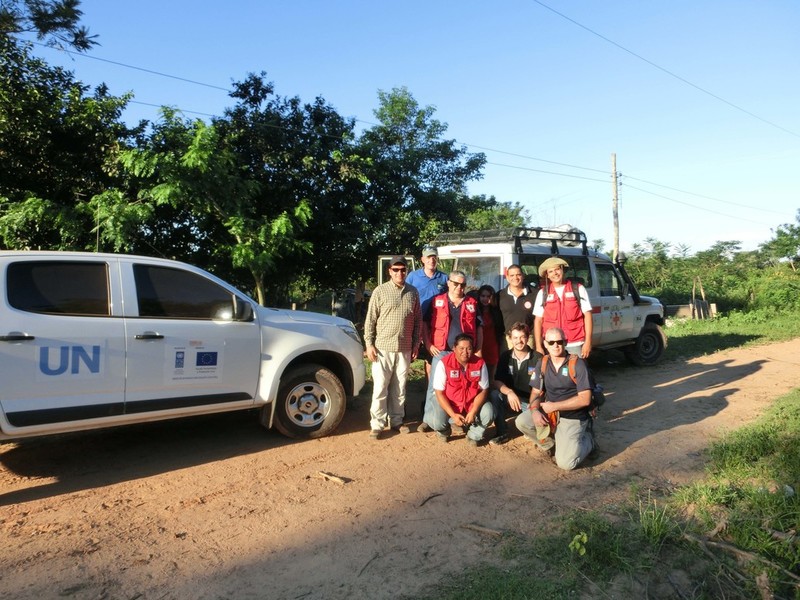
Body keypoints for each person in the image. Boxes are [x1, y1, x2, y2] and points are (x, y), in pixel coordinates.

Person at [516, 327, 597, 470]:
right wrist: (534, 411)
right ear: (545, 344)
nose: (555, 345)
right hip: (550, 413)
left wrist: (554, 406)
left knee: (566, 464)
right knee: (522, 421)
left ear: (565, 342)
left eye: (559, 342)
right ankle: (551, 445)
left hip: (573, 416)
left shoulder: (577, 364)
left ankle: (589, 440)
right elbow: (535, 392)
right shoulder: (543, 362)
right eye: (551, 342)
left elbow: (585, 399)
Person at [363, 256, 422, 440]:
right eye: (395, 270)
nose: (399, 273)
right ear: (389, 271)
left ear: (406, 271)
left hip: (404, 348)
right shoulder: (380, 291)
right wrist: (369, 344)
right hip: (382, 349)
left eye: (402, 270)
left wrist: (415, 344)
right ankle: (377, 424)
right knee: (380, 387)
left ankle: (396, 421)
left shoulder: (413, 292)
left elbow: (418, 321)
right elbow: (370, 320)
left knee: (400, 388)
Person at [418, 270, 483, 431]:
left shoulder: (472, 303)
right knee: (435, 386)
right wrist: (428, 344)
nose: (459, 287)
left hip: (463, 354)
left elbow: (479, 327)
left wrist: (478, 349)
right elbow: (424, 323)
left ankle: (456, 420)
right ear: (448, 283)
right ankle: (428, 419)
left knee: (460, 387)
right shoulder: (436, 301)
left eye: (462, 284)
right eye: (455, 283)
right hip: (440, 351)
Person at [423, 333, 494, 446]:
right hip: (450, 403)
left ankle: (473, 434)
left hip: (470, 404)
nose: (465, 352)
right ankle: (444, 431)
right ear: (454, 348)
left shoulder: (480, 363)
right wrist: (452, 415)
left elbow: (483, 390)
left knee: (489, 411)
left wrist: (474, 411)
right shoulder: (444, 363)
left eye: (469, 348)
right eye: (461, 348)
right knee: (436, 421)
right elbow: (439, 393)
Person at [489, 321, 539, 445]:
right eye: (515, 337)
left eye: (522, 337)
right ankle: (502, 432)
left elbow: (542, 388)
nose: (519, 341)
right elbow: (496, 381)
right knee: (495, 395)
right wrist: (509, 392)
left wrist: (533, 404)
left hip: (530, 403)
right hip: (512, 399)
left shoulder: (538, 358)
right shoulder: (505, 356)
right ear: (510, 339)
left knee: (530, 427)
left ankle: (531, 430)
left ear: (528, 338)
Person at [533, 256, 593, 359]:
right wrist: (538, 345)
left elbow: (588, 316)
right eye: (550, 271)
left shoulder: (578, 288)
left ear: (562, 270)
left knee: (576, 373)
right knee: (553, 373)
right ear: (547, 275)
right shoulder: (543, 293)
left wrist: (588, 342)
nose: (555, 273)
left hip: (575, 343)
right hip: (552, 344)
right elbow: (538, 321)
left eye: (557, 269)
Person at [495, 264, 536, 347]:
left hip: (528, 339)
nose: (515, 278)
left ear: (523, 276)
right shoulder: (499, 295)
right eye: (512, 275)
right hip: (507, 340)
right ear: (507, 277)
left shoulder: (535, 293)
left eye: (518, 275)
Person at [476, 284, 503, 383]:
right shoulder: (475, 311)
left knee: (491, 375)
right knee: (478, 374)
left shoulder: (496, 312)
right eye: (483, 296)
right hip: (479, 346)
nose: (485, 299)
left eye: (488, 296)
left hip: (492, 345)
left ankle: (491, 395)